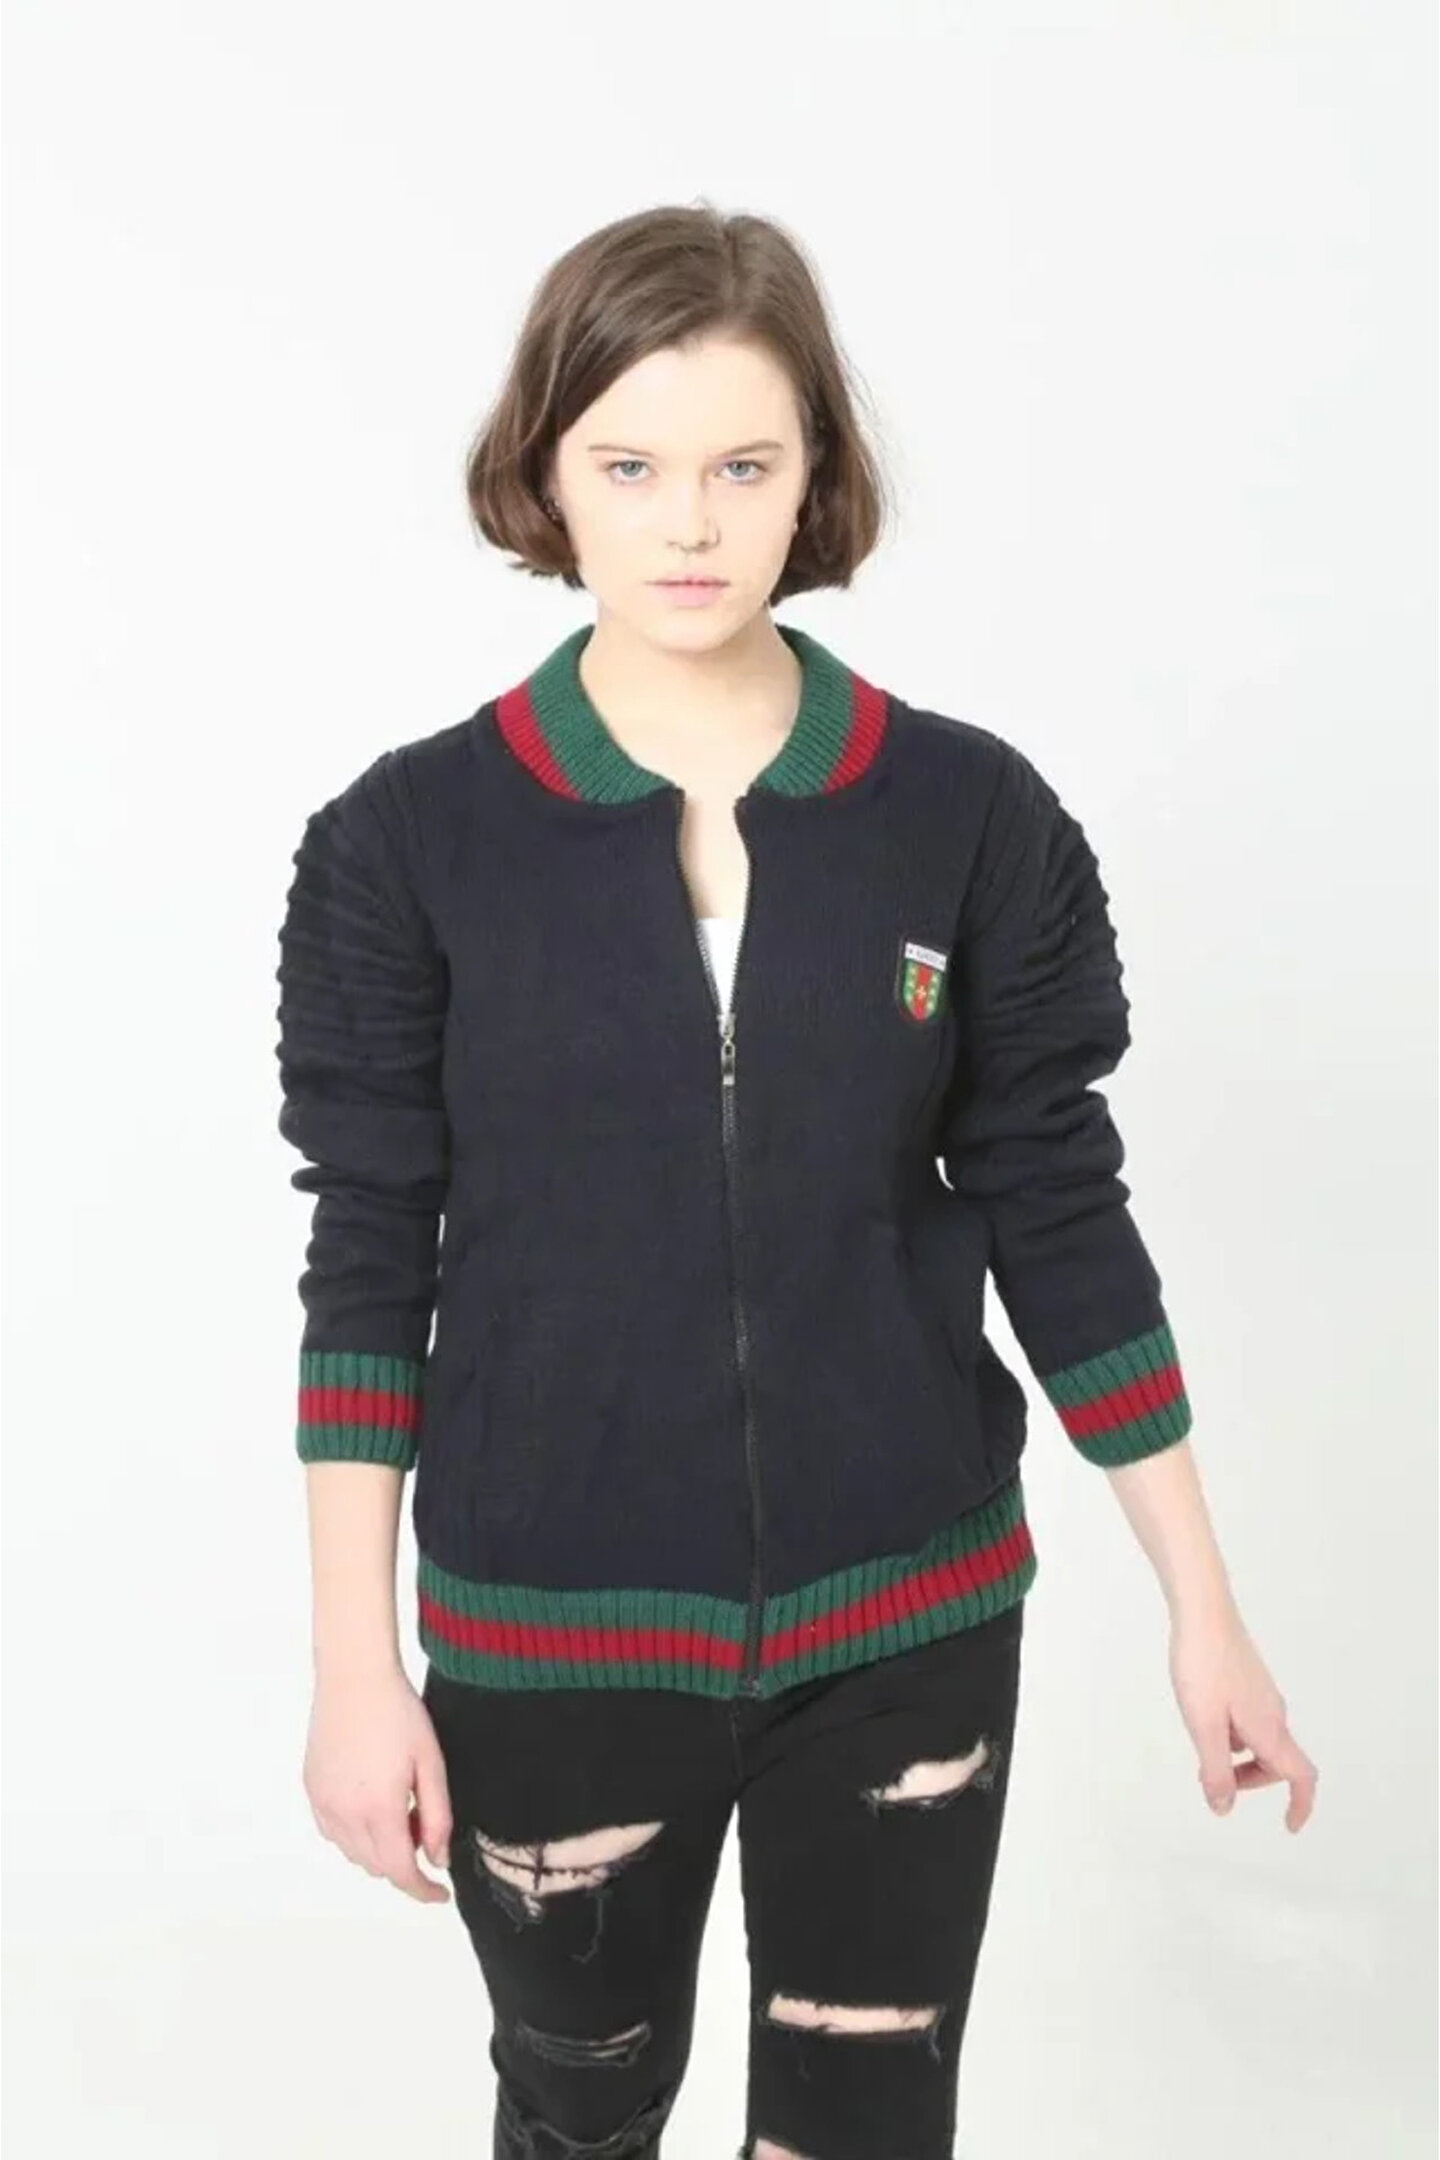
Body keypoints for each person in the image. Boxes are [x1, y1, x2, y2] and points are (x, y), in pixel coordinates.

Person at [274, 201, 1318, 2160]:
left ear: (816, 473)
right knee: (578, 2115)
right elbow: (369, 1256)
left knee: (866, 2120)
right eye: (632, 466)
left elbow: (1057, 1206)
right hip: (548, 1632)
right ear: (547, 473)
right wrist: (354, 1670)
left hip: (912, 1618)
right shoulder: (406, 844)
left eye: (744, 466)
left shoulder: (967, 817)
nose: (690, 522)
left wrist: (1205, 1606)